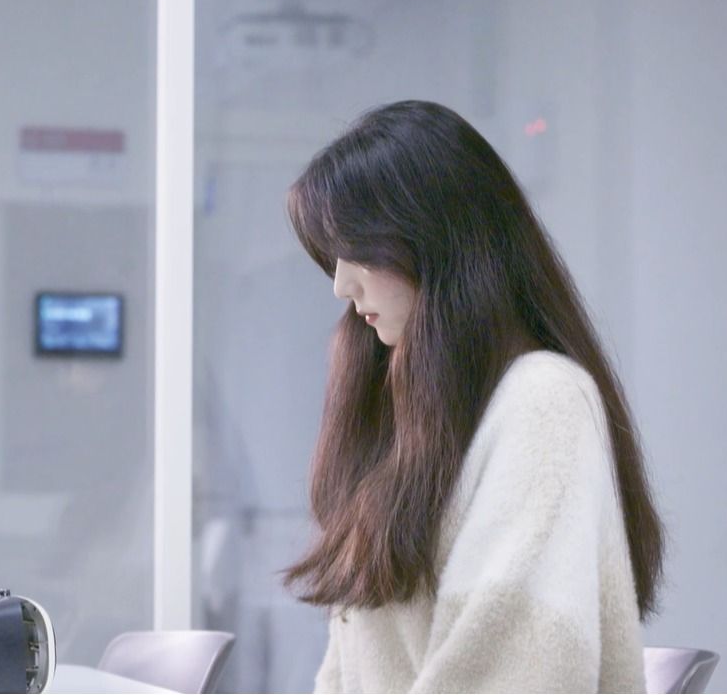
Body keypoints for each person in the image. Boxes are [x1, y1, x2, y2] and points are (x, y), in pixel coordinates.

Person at [279, 100, 664, 693]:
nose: (341, 284)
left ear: (432, 241)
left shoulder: (544, 401)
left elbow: (519, 670)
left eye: (357, 251)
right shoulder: (417, 421)